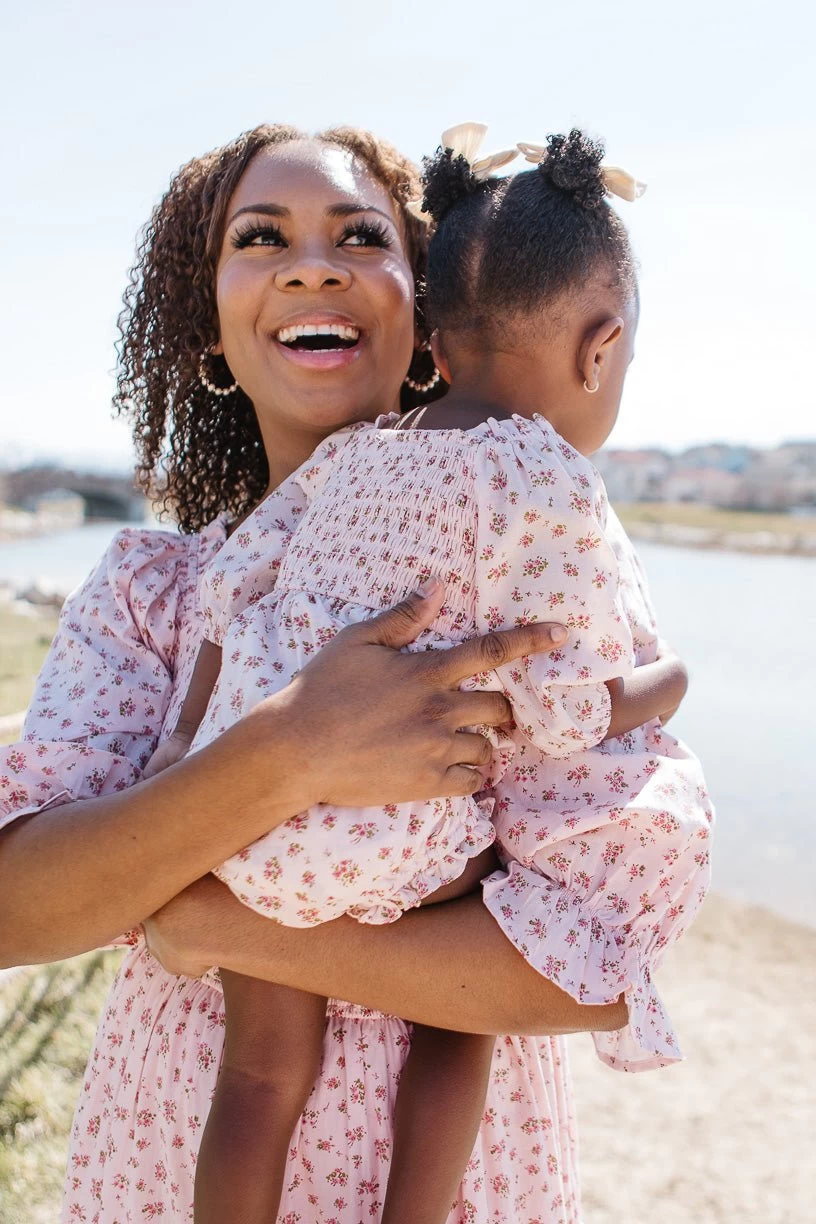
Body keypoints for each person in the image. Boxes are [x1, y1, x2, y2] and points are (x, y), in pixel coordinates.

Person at [0, 123, 633, 1224]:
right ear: (213, 329)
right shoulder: (154, 591)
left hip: (468, 1183)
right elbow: (16, 913)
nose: (311, 263)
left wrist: (233, 930)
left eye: (360, 234)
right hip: (167, 1147)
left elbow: (598, 969)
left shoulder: (531, 571)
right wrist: (290, 747)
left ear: (431, 318)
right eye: (262, 236)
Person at [148, 123, 711, 1224]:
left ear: (437, 348)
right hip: (397, 827)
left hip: (251, 819)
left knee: (259, 1079)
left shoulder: (360, 454)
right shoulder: (547, 476)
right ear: (600, 352)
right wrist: (664, 686)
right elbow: (557, 697)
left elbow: (237, 577)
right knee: (462, 1024)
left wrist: (188, 737)